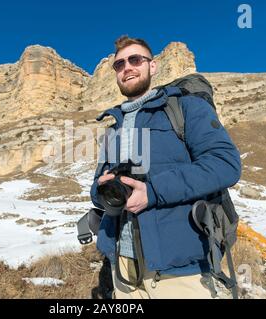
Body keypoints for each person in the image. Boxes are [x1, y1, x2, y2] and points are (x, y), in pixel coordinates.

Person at [90, 35, 242, 299]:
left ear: (153, 66)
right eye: (119, 64)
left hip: (179, 265)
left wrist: (153, 191)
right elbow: (96, 189)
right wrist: (102, 188)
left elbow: (225, 163)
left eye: (136, 59)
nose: (127, 67)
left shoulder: (185, 107)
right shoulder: (113, 128)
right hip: (123, 264)